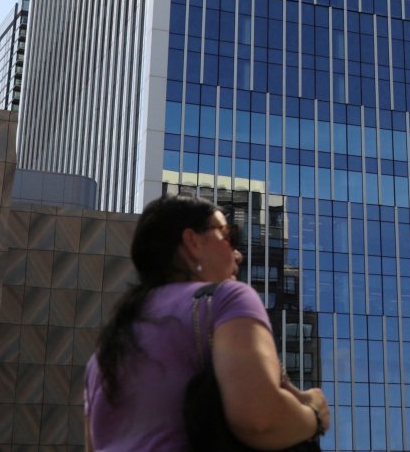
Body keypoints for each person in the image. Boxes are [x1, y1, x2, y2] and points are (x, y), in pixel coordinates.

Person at [84, 193, 330, 451]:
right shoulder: (227, 298)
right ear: (192, 242)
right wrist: (314, 416)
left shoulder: (105, 350)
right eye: (228, 236)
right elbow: (259, 420)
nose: (238, 255)